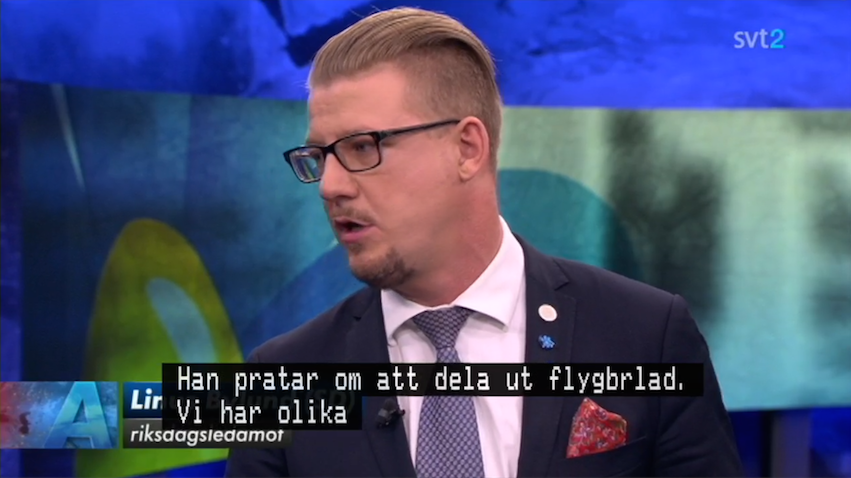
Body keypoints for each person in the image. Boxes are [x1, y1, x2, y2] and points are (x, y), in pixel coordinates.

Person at [225, 7, 743, 478]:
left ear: (467, 148)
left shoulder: (647, 335)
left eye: (362, 147)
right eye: (320, 157)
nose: (331, 186)